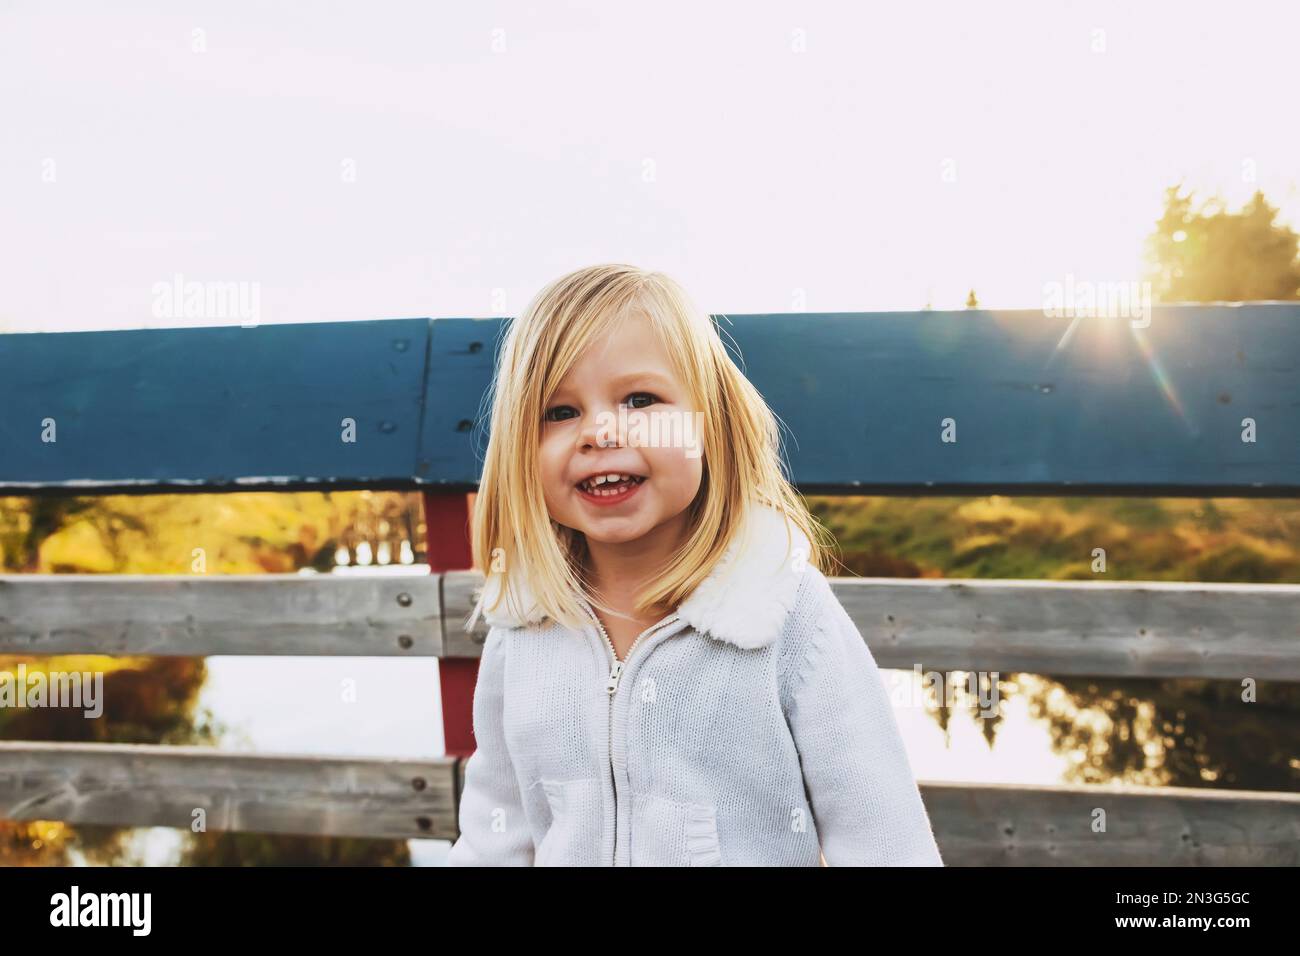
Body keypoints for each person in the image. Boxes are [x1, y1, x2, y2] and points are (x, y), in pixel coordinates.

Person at [447, 263, 943, 866]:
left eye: (639, 399)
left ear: (711, 426)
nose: (600, 431)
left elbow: (884, 842)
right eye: (559, 412)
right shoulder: (523, 628)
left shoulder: (784, 615)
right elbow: (495, 838)